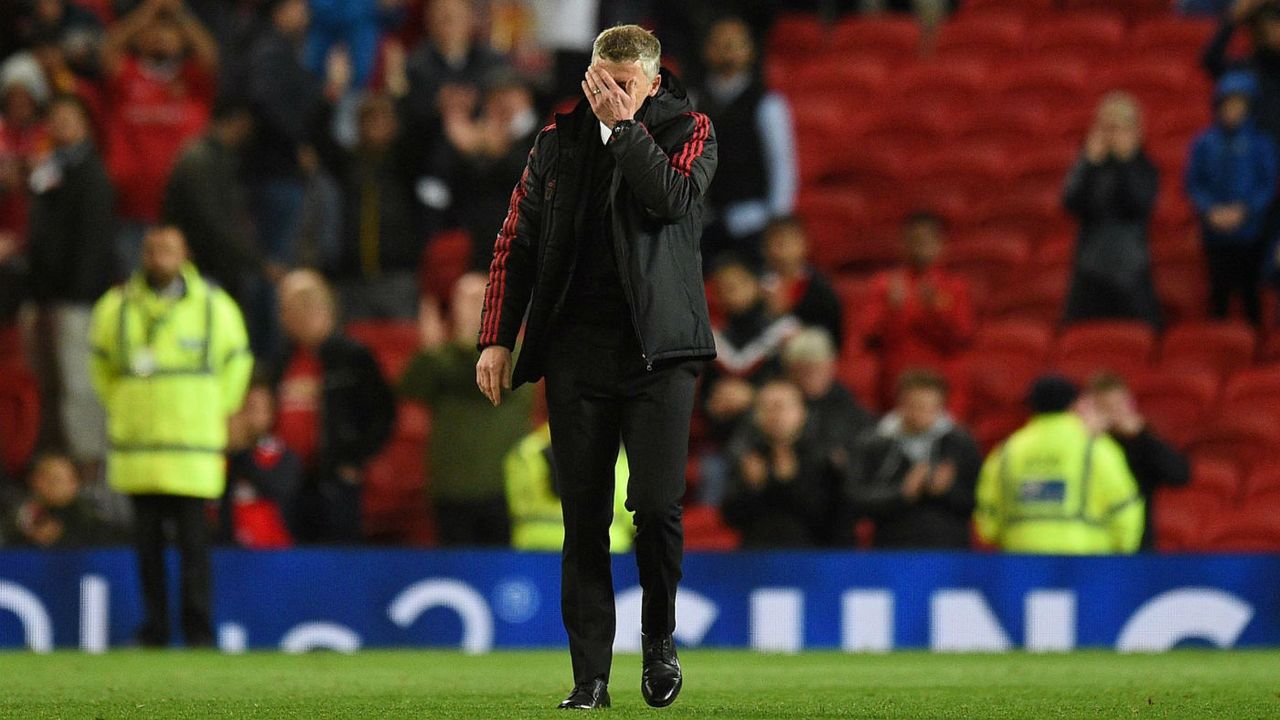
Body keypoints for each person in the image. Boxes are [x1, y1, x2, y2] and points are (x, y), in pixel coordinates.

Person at [474, 24, 716, 710]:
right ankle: (591, 679)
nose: (610, 96)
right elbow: (514, 244)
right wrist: (496, 337)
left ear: (654, 81)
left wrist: (623, 130)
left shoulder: (690, 130)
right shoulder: (555, 145)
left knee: (658, 507)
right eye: (600, 84)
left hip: (659, 354)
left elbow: (670, 200)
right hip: (578, 352)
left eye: (624, 86)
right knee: (582, 518)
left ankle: (660, 639)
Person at [88, 226, 252, 647]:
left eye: (169, 249)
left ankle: (198, 630)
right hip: (139, 450)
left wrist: (219, 409)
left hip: (192, 452)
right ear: (142, 253)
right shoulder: (116, 306)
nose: (160, 255)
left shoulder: (215, 307)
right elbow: (101, 368)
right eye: (153, 248)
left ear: (186, 254)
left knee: (195, 549)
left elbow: (238, 363)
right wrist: (125, 407)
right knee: (147, 550)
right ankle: (155, 629)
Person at [400, 273, 533, 546]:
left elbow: (489, 380)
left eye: (476, 299)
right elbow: (410, 388)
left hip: (503, 486)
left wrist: (454, 347)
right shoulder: (441, 355)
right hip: (450, 487)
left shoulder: (516, 351)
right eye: (461, 300)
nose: (469, 307)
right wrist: (429, 351)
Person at [270, 270, 394, 543]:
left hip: (334, 482)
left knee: (338, 561)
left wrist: (354, 460)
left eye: (287, 308)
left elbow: (383, 413)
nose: (282, 317)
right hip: (289, 480)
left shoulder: (353, 357)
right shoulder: (281, 361)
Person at [27, 94, 114, 472]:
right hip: (48, 295)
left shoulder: (91, 174)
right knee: (51, 386)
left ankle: (89, 467)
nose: (61, 125)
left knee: (79, 386)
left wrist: (76, 298)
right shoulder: (49, 170)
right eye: (55, 117)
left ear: (85, 125)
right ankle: (58, 471)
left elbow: (93, 242)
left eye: (69, 118)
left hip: (77, 301)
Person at [100, 0, 218, 274]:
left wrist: (178, 12)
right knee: (134, 288)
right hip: (130, 210)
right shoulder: (127, 74)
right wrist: (151, 9)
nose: (160, 35)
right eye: (153, 31)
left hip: (186, 213)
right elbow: (109, 48)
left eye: (168, 31)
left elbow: (210, 54)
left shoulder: (192, 78)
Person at [974, 375, 1144, 555]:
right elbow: (1125, 504)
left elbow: (987, 513)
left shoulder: (1006, 451)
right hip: (1086, 562)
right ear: (1074, 405)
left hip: (1022, 560)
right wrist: (1123, 549)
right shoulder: (1097, 447)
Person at [691, 15, 796, 266]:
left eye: (735, 43)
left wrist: (777, 222)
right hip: (707, 223)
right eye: (720, 43)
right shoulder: (694, 102)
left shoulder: (768, 103)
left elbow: (782, 166)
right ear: (706, 50)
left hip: (754, 223)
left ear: (750, 51)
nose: (727, 50)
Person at [848, 369, 981, 549]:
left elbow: (976, 502)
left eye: (931, 407)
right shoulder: (874, 443)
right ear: (900, 403)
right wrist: (902, 493)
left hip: (948, 551)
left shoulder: (960, 444)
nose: (923, 414)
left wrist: (947, 491)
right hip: (892, 550)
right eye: (916, 406)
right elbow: (856, 499)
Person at [1185, 71, 1278, 326]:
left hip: (1251, 232)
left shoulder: (1261, 144)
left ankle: (1254, 349)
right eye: (1229, 103)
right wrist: (1210, 210)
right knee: (1219, 294)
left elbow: (1267, 185)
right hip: (1215, 233)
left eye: (1240, 104)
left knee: (1251, 293)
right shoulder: (1203, 143)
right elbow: (1194, 183)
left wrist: (1245, 210)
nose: (1233, 110)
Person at [1062, 92, 1162, 330]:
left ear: (1134, 131)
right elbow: (1071, 202)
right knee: (1076, 338)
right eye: (1105, 127)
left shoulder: (1143, 167)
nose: (1110, 135)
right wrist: (1089, 164)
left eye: (1117, 128)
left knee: (1141, 336)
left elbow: (1138, 204)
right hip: (1090, 267)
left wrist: (1124, 162)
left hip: (1130, 269)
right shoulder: (1090, 164)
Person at [164, 98, 274, 308]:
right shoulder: (199, 160)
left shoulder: (219, 157)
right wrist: (256, 261)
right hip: (201, 268)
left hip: (216, 267)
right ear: (238, 121)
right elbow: (214, 223)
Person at [861, 211, 974, 415]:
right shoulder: (885, 285)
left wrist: (935, 311)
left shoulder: (954, 287)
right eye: (914, 240)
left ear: (941, 245)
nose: (920, 246)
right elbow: (869, 337)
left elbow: (961, 338)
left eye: (927, 240)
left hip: (942, 392)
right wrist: (893, 311)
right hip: (894, 391)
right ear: (902, 244)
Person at [722, 379, 850, 547]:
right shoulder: (748, 456)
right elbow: (730, 517)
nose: (775, 415)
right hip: (757, 555)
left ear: (801, 412)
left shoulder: (822, 455)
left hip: (812, 557)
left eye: (782, 406)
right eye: (766, 407)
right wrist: (753, 488)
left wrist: (789, 482)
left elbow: (834, 518)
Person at [332, 93, 423, 320]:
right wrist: (332, 97)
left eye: (384, 120)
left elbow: (421, 131)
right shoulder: (348, 164)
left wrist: (401, 95)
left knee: (401, 345)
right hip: (353, 277)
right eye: (371, 120)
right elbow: (319, 136)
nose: (377, 127)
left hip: (397, 275)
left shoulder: (405, 163)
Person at [1079, 372, 1191, 550]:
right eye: (1107, 407)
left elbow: (1180, 475)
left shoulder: (1142, 444)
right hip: (1093, 546)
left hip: (1138, 548)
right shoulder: (1083, 447)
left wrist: (1142, 436)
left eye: (1120, 405)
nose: (1116, 414)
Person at [703, 254, 801, 438]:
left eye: (737, 283)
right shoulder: (713, 340)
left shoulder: (785, 332)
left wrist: (753, 397)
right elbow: (707, 399)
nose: (730, 291)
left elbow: (801, 390)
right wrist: (715, 403)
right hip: (727, 438)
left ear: (756, 284)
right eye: (722, 287)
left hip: (784, 436)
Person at [504, 423, 634, 553]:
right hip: (605, 547)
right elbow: (631, 511)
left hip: (535, 548)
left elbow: (517, 505)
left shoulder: (525, 451)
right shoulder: (611, 450)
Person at [220, 378, 302, 548]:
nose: (247, 417)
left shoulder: (284, 456)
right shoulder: (214, 458)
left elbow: (277, 490)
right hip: (223, 554)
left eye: (255, 409)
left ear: (271, 415)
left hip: (273, 557)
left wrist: (242, 452)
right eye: (244, 408)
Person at [780, 327, 874, 472]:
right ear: (790, 371)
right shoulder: (778, 403)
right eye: (804, 369)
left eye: (817, 368)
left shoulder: (847, 405)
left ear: (831, 366)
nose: (811, 375)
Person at [762, 216, 844, 351]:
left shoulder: (820, 288)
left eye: (789, 240)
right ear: (764, 247)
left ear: (804, 244)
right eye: (776, 240)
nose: (782, 247)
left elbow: (832, 335)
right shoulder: (755, 285)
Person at [1202, 0, 1280, 140]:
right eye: (1265, 27)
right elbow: (1211, 60)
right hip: (1250, 152)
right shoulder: (1244, 69)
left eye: (1276, 25)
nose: (1273, 32)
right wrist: (1232, 20)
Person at [4, 453, 116, 548]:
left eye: (56, 480)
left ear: (74, 484)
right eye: (42, 477)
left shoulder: (89, 514)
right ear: (32, 480)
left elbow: (104, 544)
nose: (48, 485)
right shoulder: (17, 510)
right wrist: (27, 536)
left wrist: (61, 537)